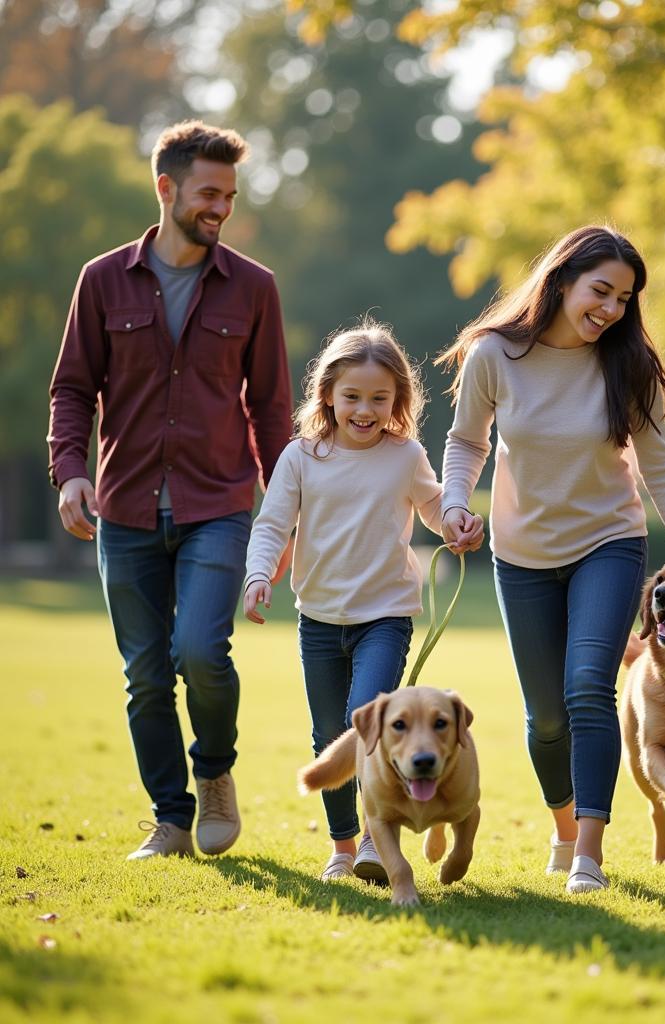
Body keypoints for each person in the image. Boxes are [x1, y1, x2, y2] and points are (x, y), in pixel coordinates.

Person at [440, 225, 665, 894]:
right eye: (601, 291)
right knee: (547, 716)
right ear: (561, 279)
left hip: (608, 544)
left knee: (588, 686)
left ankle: (588, 854)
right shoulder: (495, 356)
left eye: (624, 298)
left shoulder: (629, 367)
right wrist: (454, 504)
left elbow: (662, 470)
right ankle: (564, 829)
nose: (612, 310)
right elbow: (465, 443)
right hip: (522, 553)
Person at [47, 121, 293, 860]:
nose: (221, 207)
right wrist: (70, 472)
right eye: (208, 192)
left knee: (200, 653)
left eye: (230, 195)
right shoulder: (102, 280)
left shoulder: (255, 288)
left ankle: (215, 774)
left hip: (219, 505)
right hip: (121, 510)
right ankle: (171, 819)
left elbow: (271, 410)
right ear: (167, 187)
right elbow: (71, 388)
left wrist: (282, 518)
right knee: (147, 677)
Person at [243, 322, 483, 883]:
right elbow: (273, 523)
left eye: (380, 398)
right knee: (330, 733)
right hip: (319, 618)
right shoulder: (301, 457)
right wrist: (259, 575)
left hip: (385, 616)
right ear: (327, 394)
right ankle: (344, 847)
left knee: (369, 724)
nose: (365, 410)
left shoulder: (405, 455)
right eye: (352, 396)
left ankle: (378, 838)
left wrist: (455, 520)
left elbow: (433, 507)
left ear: (397, 400)